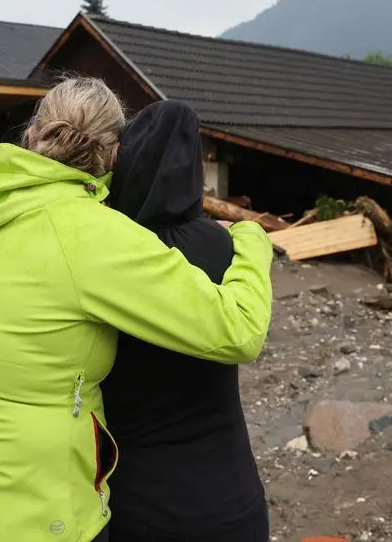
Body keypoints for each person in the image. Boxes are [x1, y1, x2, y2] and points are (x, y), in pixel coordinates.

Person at [0, 77, 273, 542]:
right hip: (36, 514)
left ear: (31, 135)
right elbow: (238, 329)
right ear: (114, 155)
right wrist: (251, 238)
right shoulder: (90, 235)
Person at [103, 100, 269, 542]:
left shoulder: (103, 253)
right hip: (232, 500)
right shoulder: (223, 246)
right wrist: (251, 234)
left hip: (136, 503)